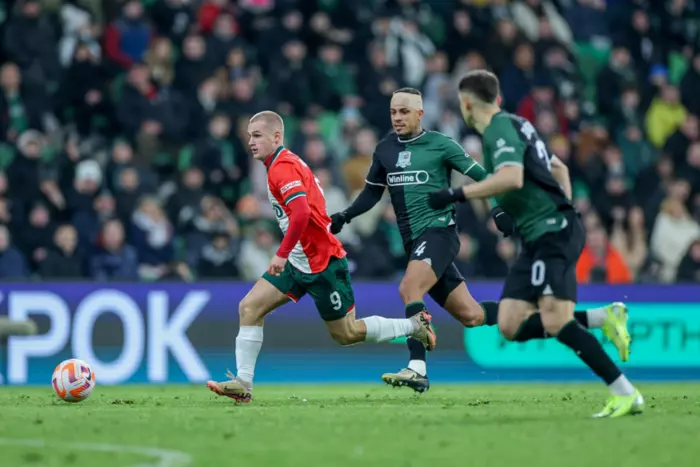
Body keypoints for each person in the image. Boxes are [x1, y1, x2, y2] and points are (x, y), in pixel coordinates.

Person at [330, 88, 631, 394]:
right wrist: (345, 215)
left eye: (404, 111)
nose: (397, 117)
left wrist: (497, 209)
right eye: (393, 112)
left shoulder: (441, 144)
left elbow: (484, 175)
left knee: (409, 288)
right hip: (415, 244)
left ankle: (417, 367)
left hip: (439, 234)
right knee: (472, 316)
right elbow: (372, 193)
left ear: (420, 114)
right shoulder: (385, 150)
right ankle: (599, 317)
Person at [428, 70, 642, 418]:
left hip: (551, 233)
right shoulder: (519, 126)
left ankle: (625, 392)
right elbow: (560, 169)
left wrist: (457, 193)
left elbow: (512, 177)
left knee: (557, 321)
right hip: (540, 235)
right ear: (497, 97)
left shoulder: (498, 129)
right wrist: (560, 210)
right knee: (510, 323)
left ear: (466, 103)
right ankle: (604, 317)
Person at [206, 111, 435, 403]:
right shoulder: (281, 163)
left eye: (257, 135)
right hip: (299, 261)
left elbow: (301, 213)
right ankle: (243, 383)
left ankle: (415, 326)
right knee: (249, 307)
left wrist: (281, 254)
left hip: (321, 262)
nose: (251, 141)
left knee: (346, 333)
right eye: (249, 136)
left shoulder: (281, 168)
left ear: (276, 137)